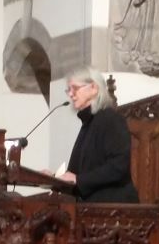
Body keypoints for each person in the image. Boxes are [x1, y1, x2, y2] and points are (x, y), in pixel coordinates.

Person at [56, 66, 139, 203]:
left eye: (75, 88)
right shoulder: (88, 123)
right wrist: (53, 178)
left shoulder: (111, 119)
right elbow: (77, 172)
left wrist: (78, 180)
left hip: (114, 208)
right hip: (92, 207)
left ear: (94, 88)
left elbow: (118, 166)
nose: (71, 94)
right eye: (68, 90)